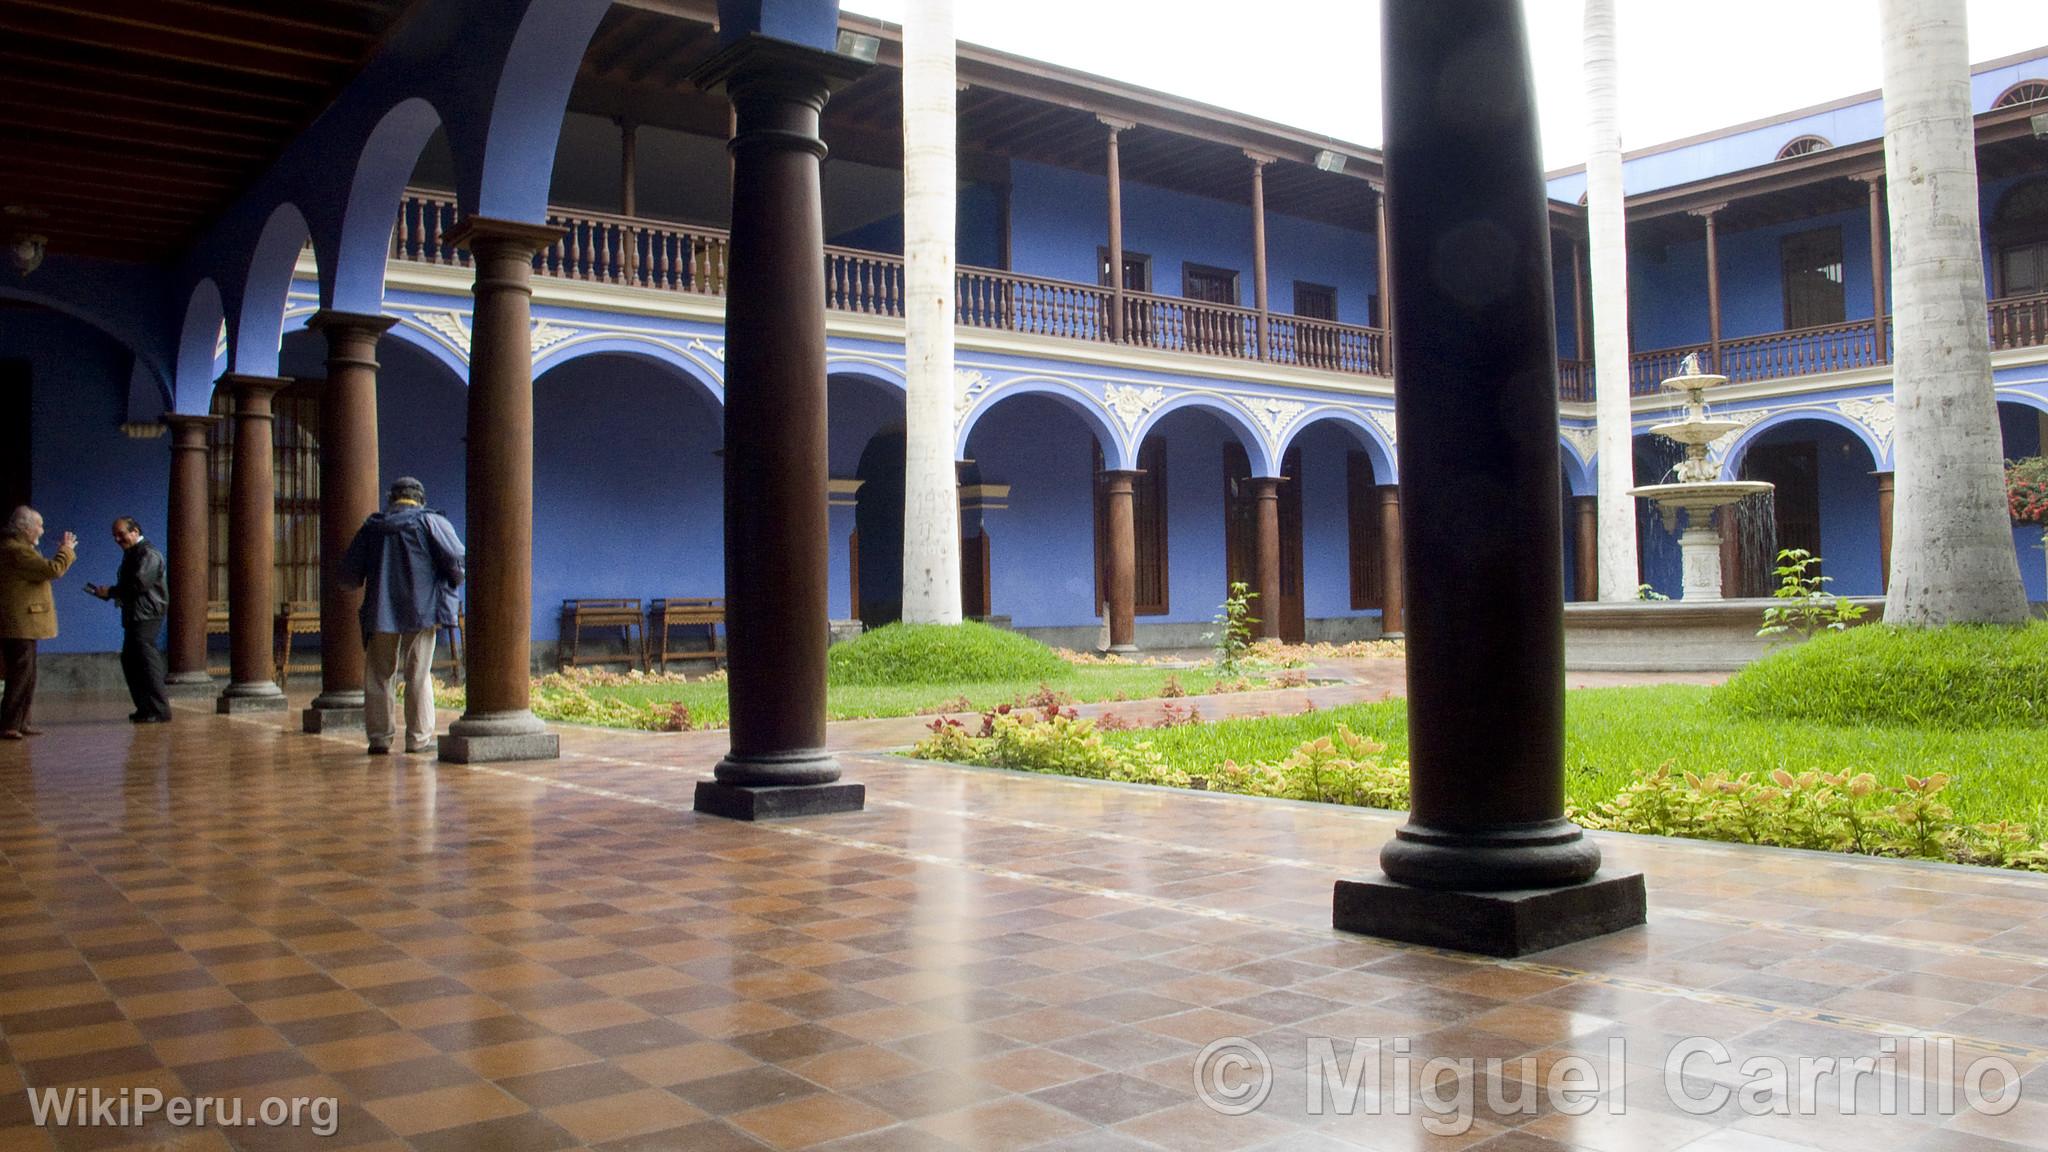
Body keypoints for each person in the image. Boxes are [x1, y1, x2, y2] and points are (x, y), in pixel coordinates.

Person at [339, 477, 464, 755]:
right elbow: (457, 558)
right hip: (422, 610)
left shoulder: (372, 527)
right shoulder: (431, 522)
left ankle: (379, 738)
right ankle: (418, 739)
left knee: (379, 675)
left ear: (391, 498)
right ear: (420, 499)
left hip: (380, 610)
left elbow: (349, 575)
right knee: (418, 673)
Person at [0, 506, 77, 740]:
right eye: (39, 525)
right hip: (19, 623)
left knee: (28, 674)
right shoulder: (17, 551)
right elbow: (52, 570)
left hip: (23, 623)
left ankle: (21, 721)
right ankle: (9, 723)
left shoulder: (18, 549)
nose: (41, 531)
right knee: (21, 674)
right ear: (24, 528)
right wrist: (66, 551)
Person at [85, 516, 169, 724]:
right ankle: (145, 708)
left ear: (135, 531)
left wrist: (111, 592)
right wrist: (109, 593)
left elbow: (139, 583)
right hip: (135, 614)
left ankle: (159, 710)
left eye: (121, 534)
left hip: (147, 615)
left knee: (146, 662)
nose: (117, 538)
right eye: (115, 535)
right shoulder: (133, 553)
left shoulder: (148, 553)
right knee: (131, 661)